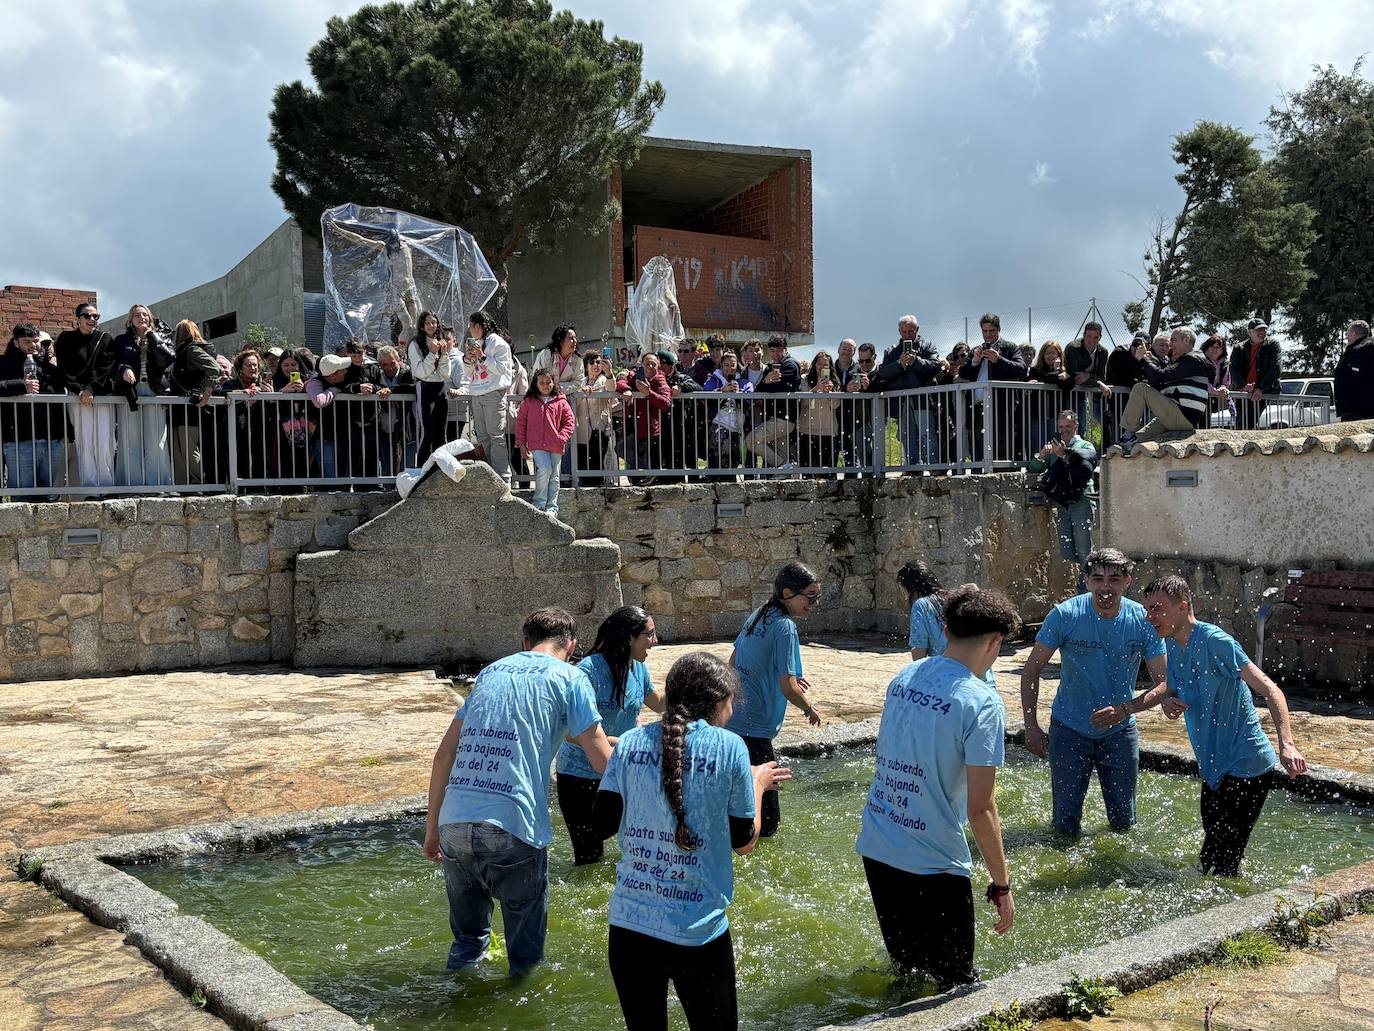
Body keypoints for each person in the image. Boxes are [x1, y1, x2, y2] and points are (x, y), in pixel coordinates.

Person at [592, 652, 790, 1031]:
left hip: (629, 928)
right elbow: (743, 841)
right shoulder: (730, 747)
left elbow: (601, 824)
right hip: (696, 931)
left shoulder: (630, 743)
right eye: (731, 702)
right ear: (719, 701)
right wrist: (758, 784)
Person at [422, 607, 612, 975]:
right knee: (525, 960)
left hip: (455, 824)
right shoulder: (570, 678)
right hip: (514, 826)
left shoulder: (490, 672)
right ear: (571, 646)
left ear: (524, 642)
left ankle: (457, 1005)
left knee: (467, 942)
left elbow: (443, 755)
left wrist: (433, 831)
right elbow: (602, 760)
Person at [856, 586, 1017, 990]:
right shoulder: (982, 702)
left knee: (909, 976)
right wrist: (1002, 885)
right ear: (995, 643)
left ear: (945, 631)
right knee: (958, 987)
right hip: (933, 862)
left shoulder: (906, 675)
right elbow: (982, 808)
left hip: (878, 845)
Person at [1142, 575, 1307, 876]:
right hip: (1214, 767)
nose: (1149, 617)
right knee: (1211, 858)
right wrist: (1166, 702)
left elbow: (1271, 690)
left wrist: (1287, 743)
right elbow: (1173, 688)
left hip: (1247, 764)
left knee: (1222, 863)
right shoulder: (1173, 645)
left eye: (1156, 609)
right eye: (1147, 609)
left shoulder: (1215, 642)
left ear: (1182, 607)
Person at [1019, 548, 1170, 836]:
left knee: (1124, 823)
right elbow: (1031, 671)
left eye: (1114, 579)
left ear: (1127, 582)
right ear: (1086, 580)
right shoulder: (1065, 615)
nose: (1105, 588)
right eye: (1098, 579)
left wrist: (1125, 710)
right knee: (1064, 823)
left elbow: (1164, 683)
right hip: (1068, 730)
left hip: (1120, 733)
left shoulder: (1142, 620)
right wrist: (1031, 726)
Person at [554, 606, 664, 865]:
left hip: (622, 771)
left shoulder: (637, 668)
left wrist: (687, 688)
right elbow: (568, 730)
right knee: (590, 858)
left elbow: (658, 703)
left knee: (640, 845)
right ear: (629, 637)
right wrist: (609, 742)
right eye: (649, 634)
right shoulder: (587, 672)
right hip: (580, 777)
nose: (655, 641)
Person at [725, 561, 824, 837]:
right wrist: (809, 708)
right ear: (788, 592)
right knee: (767, 821)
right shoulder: (785, 627)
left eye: (818, 597)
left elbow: (734, 662)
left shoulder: (760, 613)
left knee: (734, 806)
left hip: (734, 722)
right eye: (811, 596)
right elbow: (788, 687)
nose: (814, 603)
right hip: (756, 731)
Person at [53, 301, 118, 489]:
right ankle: (89, 488)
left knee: (104, 442)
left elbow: (107, 367)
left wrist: (91, 388)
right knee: (84, 442)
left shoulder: (105, 339)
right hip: (77, 396)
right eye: (87, 316)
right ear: (78, 318)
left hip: (102, 395)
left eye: (95, 316)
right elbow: (64, 369)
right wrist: (79, 389)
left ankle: (106, 486)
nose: (92, 319)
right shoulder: (66, 339)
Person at [111, 304, 175, 487]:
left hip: (154, 390)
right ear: (130, 319)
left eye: (145, 315)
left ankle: (159, 484)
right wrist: (124, 369)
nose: (142, 318)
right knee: (130, 438)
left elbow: (167, 358)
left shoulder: (160, 336)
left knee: (157, 439)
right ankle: (131, 483)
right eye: (137, 315)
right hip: (131, 390)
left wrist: (152, 336)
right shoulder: (122, 340)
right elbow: (114, 363)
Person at [869, 315, 945, 467]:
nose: (908, 334)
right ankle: (912, 468)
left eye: (911, 331)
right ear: (899, 331)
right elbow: (883, 373)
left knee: (927, 434)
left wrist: (916, 362)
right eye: (904, 331)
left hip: (922, 400)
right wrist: (900, 364)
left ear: (917, 330)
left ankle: (934, 467)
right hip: (902, 402)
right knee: (906, 436)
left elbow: (935, 366)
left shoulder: (928, 346)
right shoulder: (892, 351)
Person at [1032, 411, 1098, 587]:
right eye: (1061, 427)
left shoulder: (1085, 445)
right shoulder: (1054, 447)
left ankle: (1086, 589)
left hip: (1082, 501)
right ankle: (1090, 575)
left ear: (1076, 425)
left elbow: (1088, 463)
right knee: (1067, 551)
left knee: (1084, 550)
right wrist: (1041, 456)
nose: (1064, 430)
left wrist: (1065, 454)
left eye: (1068, 426)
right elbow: (1033, 468)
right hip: (1063, 504)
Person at [1117, 326, 1212, 448]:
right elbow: (1160, 385)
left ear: (1186, 340)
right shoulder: (1186, 362)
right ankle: (1128, 441)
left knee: (1140, 388)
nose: (1170, 345)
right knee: (1137, 441)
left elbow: (1160, 377)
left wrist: (1144, 359)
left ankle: (1128, 432)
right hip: (1175, 416)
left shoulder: (1193, 359)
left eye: (1174, 340)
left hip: (1180, 415)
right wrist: (1151, 362)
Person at [0, 324, 66, 496]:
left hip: (51, 441)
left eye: (35, 341)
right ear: (16, 343)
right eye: (26, 341)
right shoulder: (4, 364)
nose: (33, 345)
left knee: (50, 498)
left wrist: (64, 435)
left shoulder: (49, 367)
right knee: (23, 498)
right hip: (18, 440)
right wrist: (22, 385)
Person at [450, 311, 515, 481]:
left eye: (471, 327)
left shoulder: (498, 343)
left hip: (493, 393)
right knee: (483, 437)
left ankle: (503, 477)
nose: (470, 331)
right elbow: (469, 373)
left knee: (496, 436)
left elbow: (502, 370)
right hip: (476, 392)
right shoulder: (476, 344)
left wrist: (483, 356)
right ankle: (490, 476)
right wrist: (468, 359)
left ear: (478, 326)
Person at [957, 314, 1029, 463]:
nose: (988, 335)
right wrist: (975, 361)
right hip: (978, 407)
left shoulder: (1010, 347)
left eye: (992, 331)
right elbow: (963, 372)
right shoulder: (977, 350)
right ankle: (979, 474)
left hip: (1001, 407)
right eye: (985, 331)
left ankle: (1003, 472)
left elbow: (1022, 369)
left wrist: (999, 359)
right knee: (978, 445)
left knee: (1001, 445)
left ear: (999, 330)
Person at [165, 320, 221, 484]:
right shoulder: (185, 351)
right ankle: (185, 484)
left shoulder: (191, 350)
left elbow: (214, 368)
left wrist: (207, 392)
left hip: (192, 407)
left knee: (188, 448)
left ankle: (196, 482)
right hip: (183, 408)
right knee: (180, 449)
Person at [515, 369, 575, 517]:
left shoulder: (561, 400)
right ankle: (539, 502)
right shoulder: (529, 401)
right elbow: (521, 423)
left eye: (548, 382)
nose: (545, 385)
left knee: (554, 476)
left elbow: (569, 421)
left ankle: (552, 507)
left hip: (556, 444)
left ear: (553, 383)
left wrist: (562, 437)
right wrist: (521, 444)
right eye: (541, 382)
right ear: (535, 384)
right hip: (536, 444)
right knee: (545, 469)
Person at [532, 325, 586, 479]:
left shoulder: (577, 359)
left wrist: (555, 388)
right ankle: (543, 477)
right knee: (545, 439)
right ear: (560, 340)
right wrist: (549, 389)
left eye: (575, 338)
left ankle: (566, 476)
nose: (575, 341)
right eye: (571, 338)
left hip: (565, 405)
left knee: (565, 439)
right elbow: (537, 378)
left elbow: (578, 382)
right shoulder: (546, 355)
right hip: (544, 404)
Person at [743, 335, 802, 471]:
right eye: (773, 350)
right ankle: (785, 471)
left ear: (785, 349)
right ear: (769, 351)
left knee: (751, 440)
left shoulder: (790, 364)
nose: (776, 354)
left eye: (779, 350)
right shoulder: (772, 366)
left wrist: (767, 383)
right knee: (782, 456)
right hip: (778, 418)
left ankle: (781, 466)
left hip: (783, 419)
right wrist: (765, 382)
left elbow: (778, 387)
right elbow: (758, 390)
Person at [616, 351, 672, 483]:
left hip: (650, 430)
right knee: (621, 448)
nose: (650, 367)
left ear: (658, 367)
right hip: (634, 427)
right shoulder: (635, 376)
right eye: (647, 364)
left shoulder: (660, 380)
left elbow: (666, 403)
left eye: (654, 364)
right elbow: (620, 381)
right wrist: (626, 389)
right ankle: (645, 470)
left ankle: (647, 472)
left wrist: (648, 393)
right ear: (641, 364)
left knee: (640, 459)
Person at [408, 311, 455, 464]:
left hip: (440, 387)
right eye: (427, 323)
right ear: (421, 325)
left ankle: (440, 470)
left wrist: (444, 354)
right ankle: (421, 470)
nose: (431, 326)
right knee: (426, 432)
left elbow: (445, 373)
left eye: (434, 322)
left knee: (441, 433)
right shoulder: (415, 344)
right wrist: (432, 353)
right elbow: (421, 372)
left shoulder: (441, 342)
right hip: (424, 387)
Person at [702, 350, 752, 474]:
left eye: (733, 365)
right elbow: (705, 395)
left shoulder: (745, 383)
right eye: (726, 365)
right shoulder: (713, 380)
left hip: (737, 427)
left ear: (737, 366)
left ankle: (729, 484)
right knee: (719, 452)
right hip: (718, 423)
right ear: (721, 366)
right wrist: (721, 392)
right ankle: (713, 479)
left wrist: (740, 395)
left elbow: (751, 401)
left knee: (734, 460)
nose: (730, 368)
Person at [271, 349, 316, 484]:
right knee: (284, 459)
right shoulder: (275, 380)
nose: (290, 368)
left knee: (304, 459)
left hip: (306, 428)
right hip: (283, 430)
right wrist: (283, 392)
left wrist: (306, 390)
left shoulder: (308, 380)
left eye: (293, 364)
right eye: (286, 365)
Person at [1228, 318, 1281, 429]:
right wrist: (1242, 386)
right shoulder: (1239, 348)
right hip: (1243, 393)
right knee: (1241, 422)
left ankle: (1246, 443)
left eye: (1264, 329)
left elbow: (1276, 369)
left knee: (1249, 422)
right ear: (1249, 332)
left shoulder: (1273, 344)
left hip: (1263, 392)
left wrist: (1260, 388)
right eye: (1258, 330)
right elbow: (1233, 369)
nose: (1262, 333)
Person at [374, 345, 416, 475]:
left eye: (392, 363)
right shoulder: (376, 375)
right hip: (384, 428)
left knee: (407, 465)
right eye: (385, 365)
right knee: (387, 464)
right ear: (380, 364)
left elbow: (413, 387)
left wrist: (393, 391)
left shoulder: (408, 373)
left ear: (398, 361)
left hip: (406, 427)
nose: (390, 368)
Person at [1064, 321, 1113, 429]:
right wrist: (1098, 382)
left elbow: (1101, 376)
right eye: (1089, 336)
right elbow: (1077, 377)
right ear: (1084, 335)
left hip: (1092, 394)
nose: (1092, 340)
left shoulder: (1103, 352)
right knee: (1075, 425)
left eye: (1096, 337)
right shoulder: (1073, 348)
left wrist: (1089, 377)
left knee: (1094, 425)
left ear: (1100, 337)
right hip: (1071, 393)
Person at [797, 350, 840, 471]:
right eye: (819, 364)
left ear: (830, 367)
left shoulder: (834, 381)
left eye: (825, 365)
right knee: (807, 471)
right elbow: (803, 402)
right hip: (807, 430)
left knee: (828, 472)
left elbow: (836, 405)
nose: (822, 367)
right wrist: (816, 388)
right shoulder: (804, 379)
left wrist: (829, 393)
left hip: (829, 431)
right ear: (814, 364)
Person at [577, 351, 614, 476]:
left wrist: (609, 374)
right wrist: (581, 392)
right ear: (586, 366)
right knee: (583, 464)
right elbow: (574, 403)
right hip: (582, 430)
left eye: (598, 362)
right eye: (592, 362)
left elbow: (612, 389)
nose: (596, 365)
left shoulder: (604, 380)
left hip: (600, 429)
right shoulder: (580, 382)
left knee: (597, 464)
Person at [1029, 340, 1070, 445]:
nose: (1050, 356)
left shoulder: (1066, 371)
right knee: (1037, 446)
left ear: (1059, 355)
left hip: (1056, 415)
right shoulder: (1035, 370)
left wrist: (1059, 370)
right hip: (1037, 415)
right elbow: (1045, 378)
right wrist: (1057, 373)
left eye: (1053, 353)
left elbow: (1064, 386)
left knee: (1055, 447)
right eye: (1047, 353)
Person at [1334, 320, 1373, 422]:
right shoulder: (1358, 350)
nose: (1346, 336)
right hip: (1357, 407)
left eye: (1347, 333)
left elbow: (1354, 375)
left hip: (1357, 409)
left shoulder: (1362, 351)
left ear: (1354, 334)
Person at [1201, 334, 1234, 425]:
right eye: (1212, 346)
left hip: (1209, 401)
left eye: (1218, 347)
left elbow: (1225, 382)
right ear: (1207, 347)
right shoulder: (1200, 360)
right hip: (1196, 398)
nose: (1215, 349)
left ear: (1223, 349)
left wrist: (1222, 388)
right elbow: (1201, 381)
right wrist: (1216, 392)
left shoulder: (1224, 364)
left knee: (1205, 425)